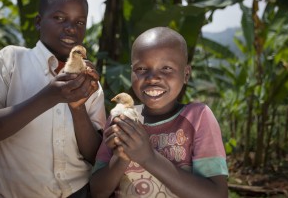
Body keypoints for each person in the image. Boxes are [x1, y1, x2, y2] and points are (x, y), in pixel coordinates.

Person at [0, 0, 106, 198]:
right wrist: (49, 96)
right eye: (59, 18)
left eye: (79, 22)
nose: (71, 27)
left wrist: (78, 109)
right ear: (39, 22)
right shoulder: (11, 61)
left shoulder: (88, 82)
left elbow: (95, 156)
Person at [90, 27, 229, 198]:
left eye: (166, 69)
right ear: (131, 72)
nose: (152, 78)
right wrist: (121, 158)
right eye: (141, 69)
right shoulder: (120, 118)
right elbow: (97, 192)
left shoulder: (198, 117)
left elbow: (218, 194)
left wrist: (148, 157)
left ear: (186, 74)